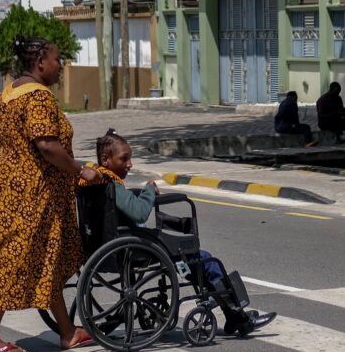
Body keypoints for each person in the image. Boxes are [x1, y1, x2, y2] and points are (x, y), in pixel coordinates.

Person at [0, 36, 99, 352]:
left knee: (47, 255)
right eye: (57, 60)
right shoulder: (38, 98)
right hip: (30, 191)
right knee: (14, 257)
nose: (61, 66)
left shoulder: (10, 90)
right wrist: (79, 169)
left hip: (8, 183)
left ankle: (68, 332)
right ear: (41, 62)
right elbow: (47, 145)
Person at [91, 129, 277, 337]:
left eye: (130, 158)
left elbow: (127, 204)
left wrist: (142, 193)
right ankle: (238, 316)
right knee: (205, 260)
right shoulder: (111, 184)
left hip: (117, 244)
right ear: (106, 160)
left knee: (194, 262)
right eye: (124, 159)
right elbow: (139, 213)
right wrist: (149, 190)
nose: (130, 164)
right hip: (135, 247)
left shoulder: (97, 183)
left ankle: (232, 311)